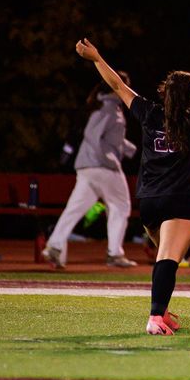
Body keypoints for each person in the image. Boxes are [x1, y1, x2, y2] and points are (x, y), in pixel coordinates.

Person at [73, 38, 190, 335]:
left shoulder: (149, 113)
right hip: (180, 200)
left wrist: (96, 58)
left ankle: (163, 309)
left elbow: (117, 85)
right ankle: (155, 316)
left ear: (164, 93)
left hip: (149, 203)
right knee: (170, 259)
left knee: (165, 257)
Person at [42, 73, 138, 269]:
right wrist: (108, 160)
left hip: (88, 167)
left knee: (74, 209)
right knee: (121, 206)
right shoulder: (110, 107)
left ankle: (54, 246)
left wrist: (129, 149)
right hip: (102, 167)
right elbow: (93, 136)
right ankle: (115, 254)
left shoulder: (104, 105)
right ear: (117, 86)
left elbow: (108, 139)